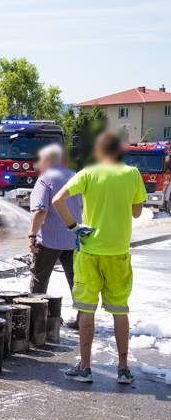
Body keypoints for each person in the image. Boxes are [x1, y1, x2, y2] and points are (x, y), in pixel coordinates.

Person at [52, 131, 147, 384]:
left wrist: (73, 226)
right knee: (119, 310)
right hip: (118, 253)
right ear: (119, 151)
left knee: (86, 310)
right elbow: (137, 213)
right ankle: (124, 369)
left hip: (89, 250)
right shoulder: (132, 174)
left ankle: (85, 368)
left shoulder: (88, 173)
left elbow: (57, 200)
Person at [28, 144, 83, 313]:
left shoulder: (45, 179)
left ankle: (37, 320)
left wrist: (32, 236)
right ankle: (83, 319)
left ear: (48, 160)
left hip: (49, 242)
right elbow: (81, 208)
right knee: (77, 282)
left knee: (39, 280)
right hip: (73, 241)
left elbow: (41, 210)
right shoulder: (76, 177)